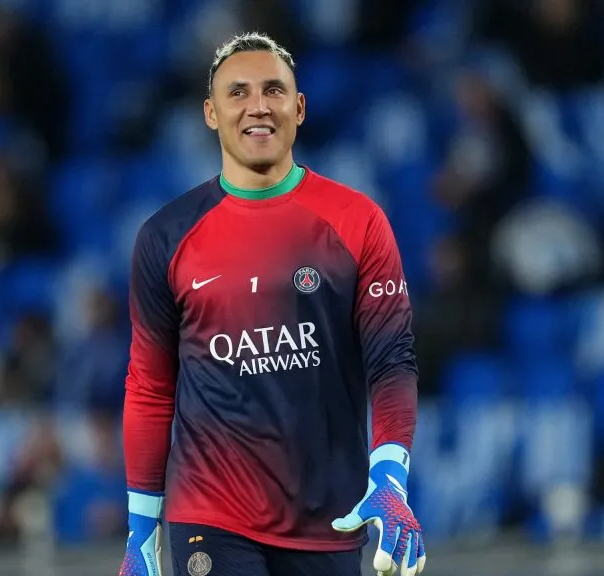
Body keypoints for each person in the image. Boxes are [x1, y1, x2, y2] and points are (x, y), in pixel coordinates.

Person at [118, 32, 427, 576]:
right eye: (237, 93)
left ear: (299, 107)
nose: (257, 105)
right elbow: (149, 386)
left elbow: (392, 361)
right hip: (210, 514)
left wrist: (391, 471)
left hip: (331, 518)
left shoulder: (357, 223)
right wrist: (142, 526)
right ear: (211, 114)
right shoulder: (166, 237)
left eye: (273, 90)